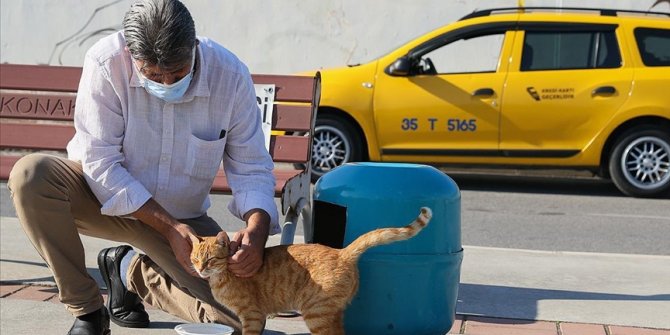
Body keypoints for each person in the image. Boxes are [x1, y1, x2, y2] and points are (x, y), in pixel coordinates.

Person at [7, 0, 280, 334]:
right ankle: (88, 311)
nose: (166, 84)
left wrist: (256, 228)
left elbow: (251, 166)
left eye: (177, 73)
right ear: (131, 54)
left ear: (194, 48)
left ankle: (129, 271)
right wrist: (165, 228)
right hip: (99, 201)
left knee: (243, 321)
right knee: (31, 175)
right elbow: (100, 161)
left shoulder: (231, 75)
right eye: (152, 75)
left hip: (183, 222)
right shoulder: (106, 61)